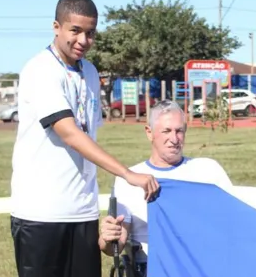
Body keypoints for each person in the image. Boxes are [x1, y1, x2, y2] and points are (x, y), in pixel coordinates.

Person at [9, 0, 159, 277]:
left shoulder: (90, 73)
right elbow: (69, 133)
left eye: (90, 32)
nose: (83, 39)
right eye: (75, 30)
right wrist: (127, 173)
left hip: (79, 208)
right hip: (39, 208)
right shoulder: (39, 71)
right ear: (56, 27)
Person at [99, 100, 233, 262]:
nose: (174, 139)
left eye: (179, 131)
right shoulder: (130, 180)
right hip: (150, 274)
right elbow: (115, 246)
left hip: (202, 266)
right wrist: (107, 238)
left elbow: (232, 221)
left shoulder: (208, 170)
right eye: (166, 131)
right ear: (149, 132)